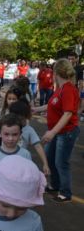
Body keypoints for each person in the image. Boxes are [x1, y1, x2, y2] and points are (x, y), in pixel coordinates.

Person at [33, 58, 80, 203]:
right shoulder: (60, 88)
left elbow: (68, 114)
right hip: (58, 132)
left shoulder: (68, 90)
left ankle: (66, 192)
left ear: (56, 72)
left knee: (61, 162)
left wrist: (52, 132)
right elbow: (51, 104)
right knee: (50, 159)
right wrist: (36, 109)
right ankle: (55, 185)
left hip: (66, 133)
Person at [0, 100, 50, 175]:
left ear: (27, 116)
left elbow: (38, 146)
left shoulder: (29, 130)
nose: (19, 121)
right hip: (3, 160)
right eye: (16, 118)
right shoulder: (5, 126)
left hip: (20, 163)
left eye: (21, 119)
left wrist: (45, 164)